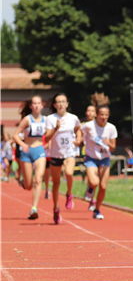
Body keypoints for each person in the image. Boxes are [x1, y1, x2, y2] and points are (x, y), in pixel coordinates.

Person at [45, 93, 82, 224]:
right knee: (56, 183)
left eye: (63, 102)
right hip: (56, 153)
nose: (61, 104)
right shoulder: (50, 119)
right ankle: (55, 208)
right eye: (58, 102)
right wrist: (56, 129)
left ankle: (69, 194)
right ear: (55, 105)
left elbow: (78, 130)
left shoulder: (73, 118)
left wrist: (78, 139)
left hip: (70, 152)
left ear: (67, 104)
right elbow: (47, 138)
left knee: (69, 173)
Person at [80, 93, 117, 219]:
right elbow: (79, 130)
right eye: (101, 115)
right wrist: (79, 141)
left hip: (104, 159)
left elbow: (113, 147)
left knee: (103, 186)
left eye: (106, 115)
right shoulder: (89, 126)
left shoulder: (111, 128)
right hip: (91, 158)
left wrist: (108, 143)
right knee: (95, 182)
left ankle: (97, 209)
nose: (104, 117)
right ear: (96, 114)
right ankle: (90, 187)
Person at [13, 96, 47, 219]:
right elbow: (15, 135)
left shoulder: (46, 120)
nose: (37, 105)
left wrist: (49, 142)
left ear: (42, 105)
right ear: (31, 106)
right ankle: (23, 182)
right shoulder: (27, 120)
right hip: (27, 152)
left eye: (39, 103)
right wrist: (22, 145)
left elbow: (50, 134)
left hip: (40, 151)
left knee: (38, 180)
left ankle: (34, 208)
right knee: (29, 186)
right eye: (34, 103)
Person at [82, 103, 97, 202]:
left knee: (96, 179)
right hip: (87, 153)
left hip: (99, 154)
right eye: (88, 111)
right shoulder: (83, 125)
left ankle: (92, 196)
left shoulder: (99, 125)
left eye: (92, 111)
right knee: (92, 176)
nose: (90, 113)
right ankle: (91, 195)